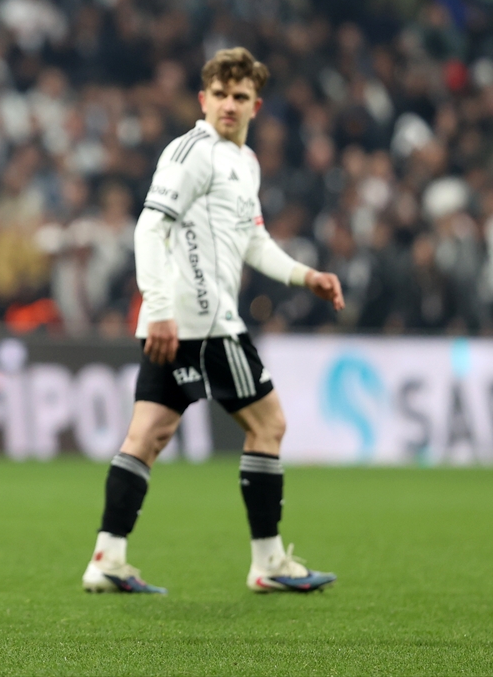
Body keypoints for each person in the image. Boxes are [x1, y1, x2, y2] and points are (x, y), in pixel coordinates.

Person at [82, 48, 344, 595]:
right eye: (220, 94)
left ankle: (107, 558)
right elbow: (149, 228)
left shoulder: (245, 162)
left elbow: (254, 240)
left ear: (256, 106)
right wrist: (158, 309)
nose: (229, 104)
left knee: (148, 434)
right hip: (204, 323)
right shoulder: (193, 152)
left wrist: (305, 276)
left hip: (183, 323)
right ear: (203, 100)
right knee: (268, 425)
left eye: (239, 96)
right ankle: (268, 563)